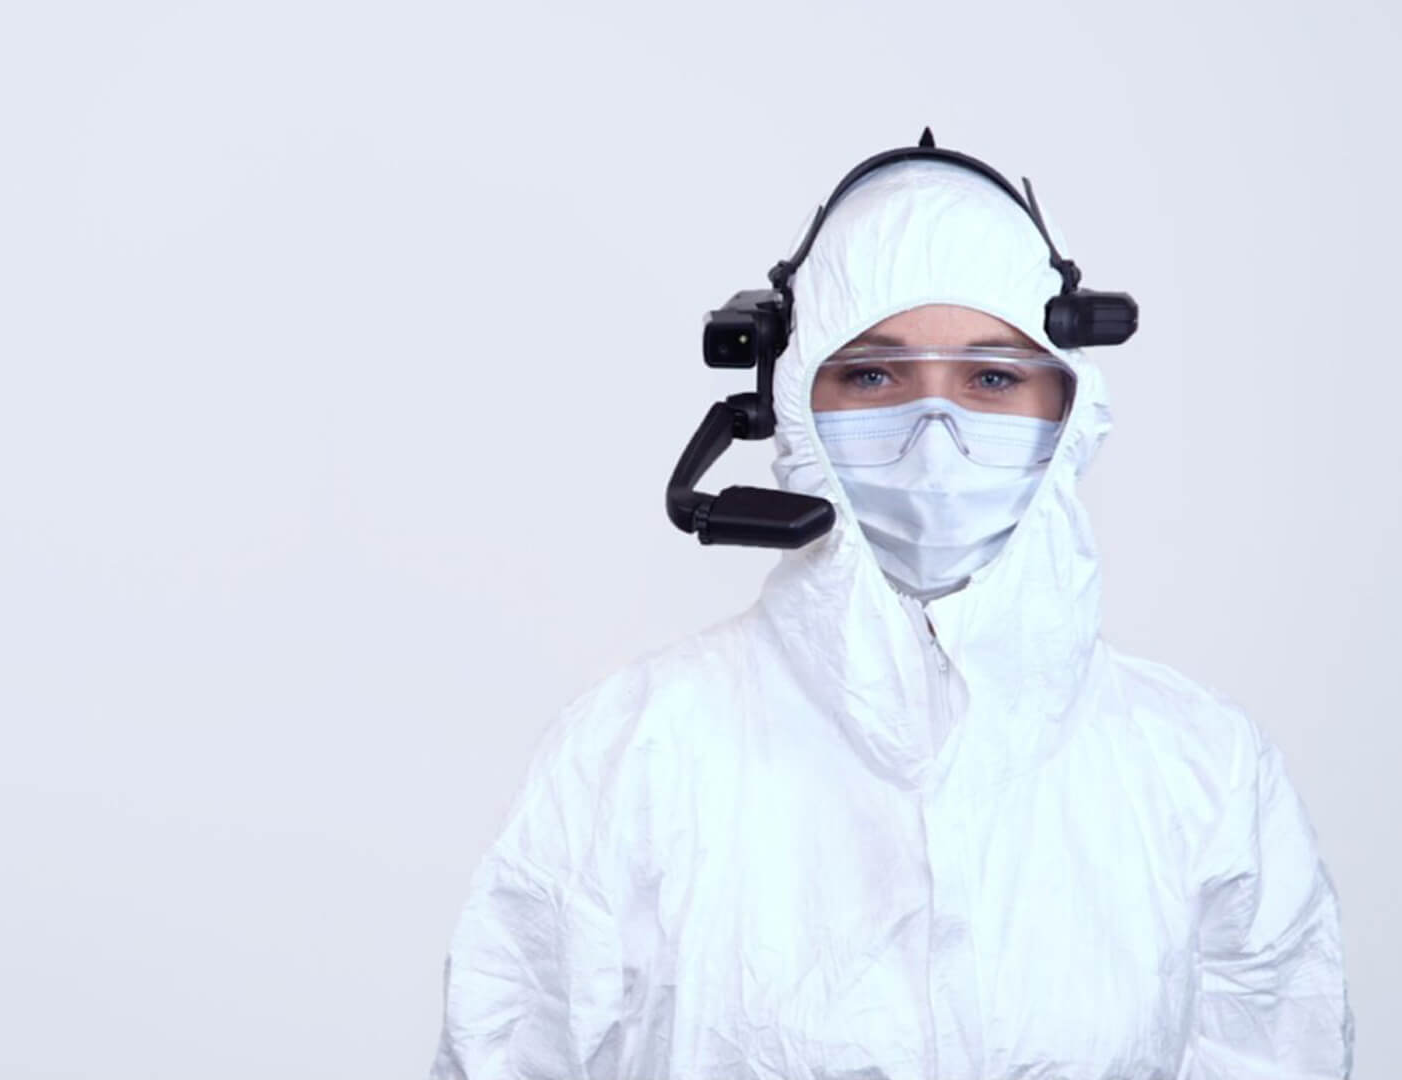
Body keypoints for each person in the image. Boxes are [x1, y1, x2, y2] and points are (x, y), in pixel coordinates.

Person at [425, 149, 1355, 1079]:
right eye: (873, 378)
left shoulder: (1202, 772)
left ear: (1069, 410)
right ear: (790, 403)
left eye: (993, 379)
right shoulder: (632, 757)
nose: (934, 439)